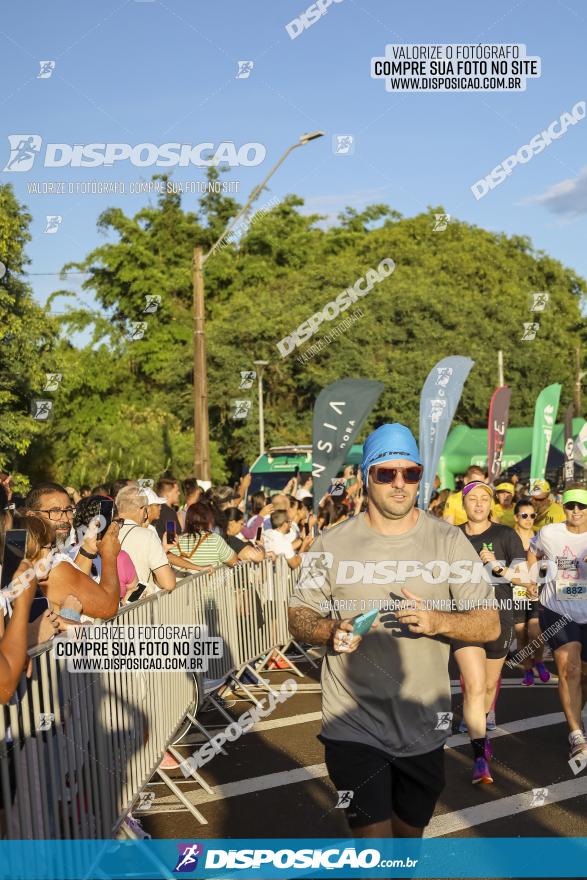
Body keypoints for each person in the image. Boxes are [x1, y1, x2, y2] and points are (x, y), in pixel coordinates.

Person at [288, 424, 499, 839]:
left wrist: (440, 621)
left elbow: (489, 622)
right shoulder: (330, 543)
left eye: (411, 473)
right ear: (366, 477)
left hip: (423, 724)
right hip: (353, 722)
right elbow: (297, 614)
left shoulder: (448, 540)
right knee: (375, 847)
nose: (400, 484)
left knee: (408, 839)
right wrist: (329, 630)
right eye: (387, 474)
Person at [453, 481, 528, 783]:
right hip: (464, 619)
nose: (479, 504)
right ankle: (480, 756)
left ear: (492, 504)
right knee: (473, 686)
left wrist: (497, 568)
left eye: (485, 499)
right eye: (474, 499)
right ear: (464, 502)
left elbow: (524, 579)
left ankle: (481, 731)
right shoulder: (452, 536)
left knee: (487, 686)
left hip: (499, 618)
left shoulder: (506, 535)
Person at [527, 483, 587, 761]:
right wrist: (531, 578)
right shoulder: (550, 533)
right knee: (569, 667)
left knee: (583, 675)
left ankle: (578, 719)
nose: (575, 511)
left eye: (581, 506)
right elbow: (533, 550)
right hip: (557, 608)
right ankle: (576, 733)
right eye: (570, 505)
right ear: (564, 507)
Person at [24, 482, 122, 619]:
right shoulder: (50, 566)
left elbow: (73, 582)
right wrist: (109, 555)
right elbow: (108, 608)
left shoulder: (47, 554)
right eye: (55, 511)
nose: (65, 518)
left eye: (68, 510)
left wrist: (88, 549)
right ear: (31, 516)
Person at [512, 498, 550, 685]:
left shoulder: (540, 538)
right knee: (520, 633)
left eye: (532, 515)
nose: (529, 519)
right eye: (524, 515)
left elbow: (547, 564)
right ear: (516, 517)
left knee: (535, 631)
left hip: (536, 589)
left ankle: (540, 661)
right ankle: (527, 670)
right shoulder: (508, 537)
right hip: (515, 590)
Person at [115, 486, 176, 595]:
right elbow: (168, 583)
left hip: (113, 605)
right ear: (142, 509)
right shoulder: (147, 535)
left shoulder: (104, 533)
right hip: (140, 606)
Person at [167, 501, 237, 570]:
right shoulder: (215, 540)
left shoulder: (174, 541)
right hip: (209, 581)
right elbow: (234, 562)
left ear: (188, 520)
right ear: (209, 519)